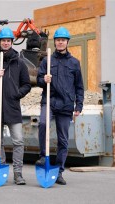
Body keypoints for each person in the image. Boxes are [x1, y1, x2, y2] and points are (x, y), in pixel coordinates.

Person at [0, 27, 31, 185]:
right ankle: (0, 167)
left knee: (18, 140)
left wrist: (17, 94)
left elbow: (27, 84)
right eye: (3, 40)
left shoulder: (19, 63)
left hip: (12, 107)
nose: (6, 43)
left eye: (8, 41)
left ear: (11, 42)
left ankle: (18, 173)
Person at [35, 27, 84, 185]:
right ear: (54, 42)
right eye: (58, 40)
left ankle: (59, 171)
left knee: (63, 140)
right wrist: (44, 80)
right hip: (49, 100)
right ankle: (43, 156)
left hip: (66, 104)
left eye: (63, 40)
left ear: (67, 42)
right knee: (43, 123)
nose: (60, 42)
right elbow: (38, 79)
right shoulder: (47, 60)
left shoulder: (74, 63)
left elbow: (79, 86)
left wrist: (79, 105)